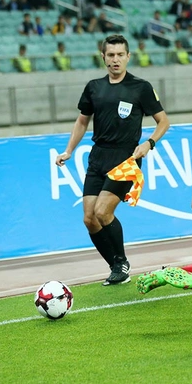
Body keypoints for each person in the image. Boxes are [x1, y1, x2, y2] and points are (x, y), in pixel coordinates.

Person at [55, 35, 171, 285]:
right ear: (103, 57)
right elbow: (82, 121)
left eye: (120, 55)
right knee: (89, 218)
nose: (115, 60)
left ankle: (122, 262)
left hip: (126, 159)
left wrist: (149, 143)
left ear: (128, 56)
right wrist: (69, 151)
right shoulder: (93, 87)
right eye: (111, 55)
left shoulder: (140, 87)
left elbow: (164, 121)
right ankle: (116, 266)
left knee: (102, 211)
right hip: (98, 157)